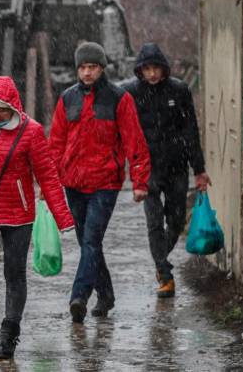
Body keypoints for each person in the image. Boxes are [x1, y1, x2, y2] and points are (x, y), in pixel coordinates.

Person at [0, 76, 74, 359]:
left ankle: (10, 333)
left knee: (14, 273)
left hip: (18, 214)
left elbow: (46, 174)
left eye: (1, 109)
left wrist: (63, 218)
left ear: (13, 107)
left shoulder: (30, 132)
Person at [48, 42, 151, 323]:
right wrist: (50, 181)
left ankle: (78, 296)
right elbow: (56, 142)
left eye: (92, 67)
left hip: (105, 181)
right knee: (87, 243)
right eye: (82, 67)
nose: (87, 72)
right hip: (74, 181)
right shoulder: (68, 98)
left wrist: (140, 180)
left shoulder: (119, 99)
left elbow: (134, 141)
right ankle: (106, 295)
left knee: (92, 239)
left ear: (102, 68)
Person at [124, 43, 211, 298]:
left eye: (156, 68)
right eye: (147, 69)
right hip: (147, 167)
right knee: (154, 223)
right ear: (140, 70)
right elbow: (124, 133)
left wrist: (200, 169)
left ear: (164, 69)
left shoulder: (179, 90)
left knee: (174, 220)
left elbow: (190, 130)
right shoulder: (130, 94)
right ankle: (165, 274)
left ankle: (161, 260)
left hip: (176, 165)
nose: (152, 74)